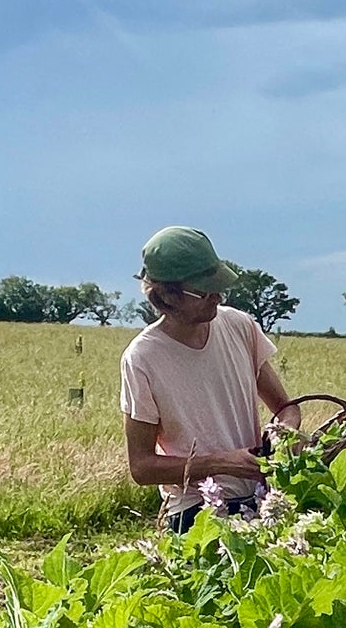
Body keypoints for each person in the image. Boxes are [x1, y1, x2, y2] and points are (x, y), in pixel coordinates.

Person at [120, 225, 300, 532]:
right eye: (203, 292)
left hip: (261, 499)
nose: (216, 297)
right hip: (194, 512)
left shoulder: (239, 326)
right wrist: (219, 464)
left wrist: (283, 435)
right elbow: (142, 467)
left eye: (219, 287)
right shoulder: (142, 359)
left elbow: (288, 408)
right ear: (166, 296)